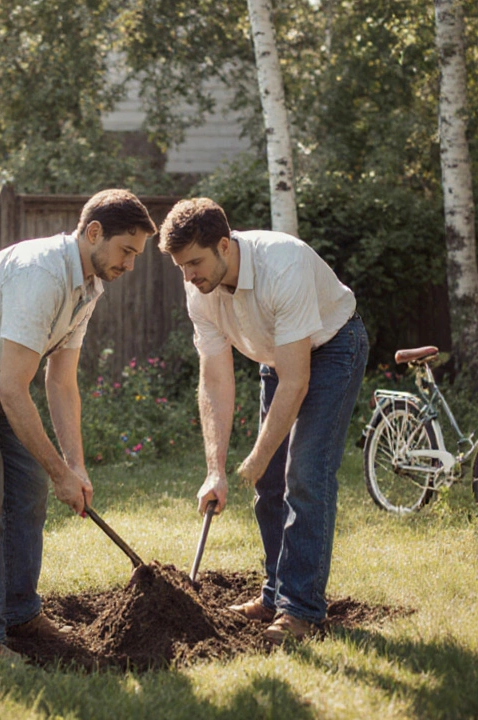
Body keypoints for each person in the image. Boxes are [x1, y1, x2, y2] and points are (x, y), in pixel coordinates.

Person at [0, 189, 157, 660]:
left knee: (29, 487)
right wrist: (60, 470)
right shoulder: (42, 273)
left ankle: (19, 613)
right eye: (126, 251)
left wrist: (75, 467)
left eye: (136, 255)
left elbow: (61, 381)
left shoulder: (88, 286)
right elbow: (13, 391)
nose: (130, 265)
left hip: (5, 374)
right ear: (93, 233)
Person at [158, 198, 368, 644]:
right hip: (276, 357)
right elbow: (215, 380)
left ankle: (302, 609)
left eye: (194, 262)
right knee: (268, 485)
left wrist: (257, 454)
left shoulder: (282, 264)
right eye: (180, 266)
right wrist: (216, 470)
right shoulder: (200, 288)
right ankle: (275, 595)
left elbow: (296, 382)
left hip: (331, 350)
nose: (188, 276)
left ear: (224, 245)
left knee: (304, 474)